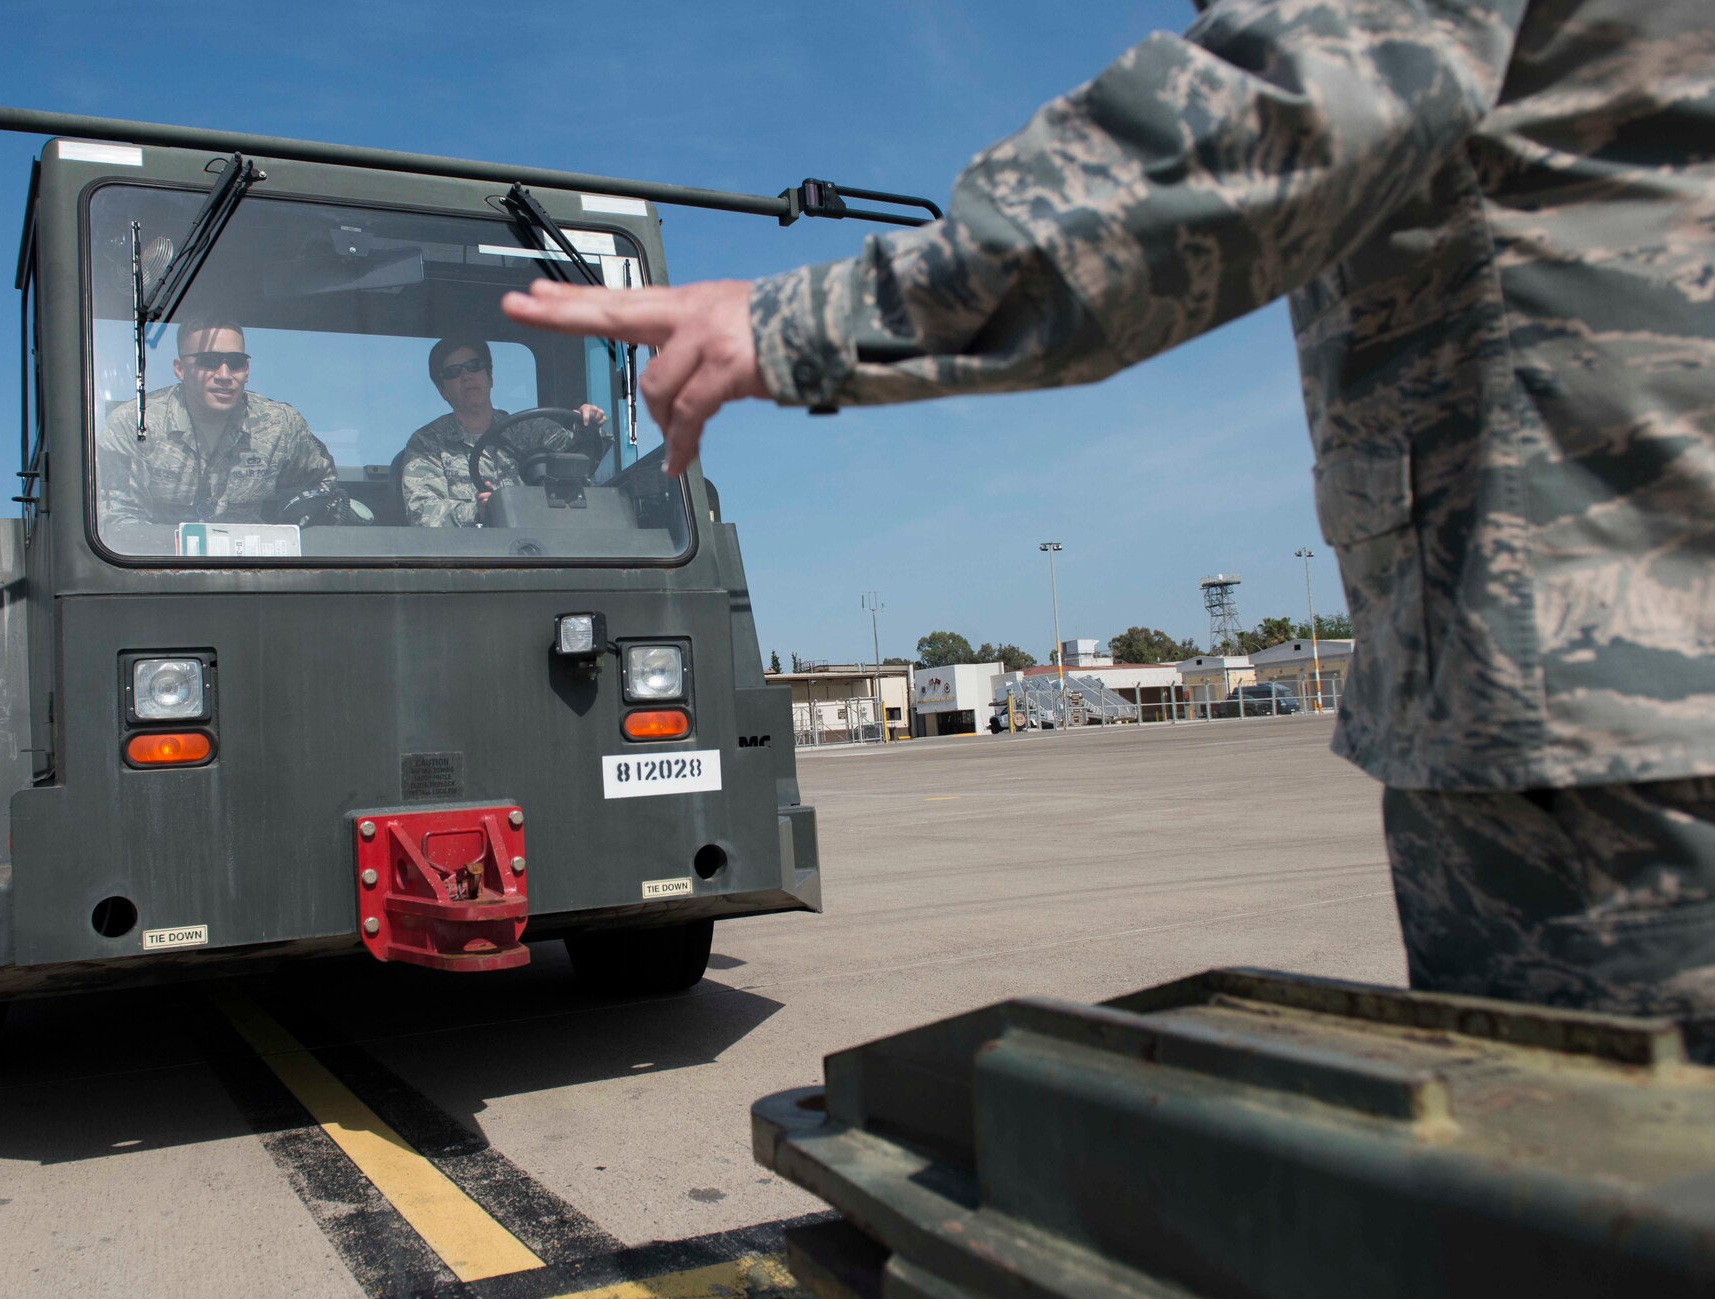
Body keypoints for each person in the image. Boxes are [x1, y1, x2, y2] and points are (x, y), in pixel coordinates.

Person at [504, 2, 1715, 1054]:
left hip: (1607, 675)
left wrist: (799, 319)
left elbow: (1272, 116)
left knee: (1613, 1192)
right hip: (1607, 653)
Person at [99, 316, 338, 553]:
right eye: (209, 361)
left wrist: (289, 526)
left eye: (235, 363)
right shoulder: (134, 425)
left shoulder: (281, 425)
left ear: (246, 370)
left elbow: (321, 486)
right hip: (158, 570)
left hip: (255, 571)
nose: (224, 375)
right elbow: (117, 524)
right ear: (180, 369)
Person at [399, 337, 607, 527]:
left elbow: (580, 461)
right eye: (453, 372)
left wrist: (587, 425)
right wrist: (477, 511)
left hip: (548, 543)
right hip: (470, 556)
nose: (466, 376)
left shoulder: (532, 429)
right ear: (442, 390)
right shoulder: (426, 444)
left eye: (474, 366)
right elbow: (421, 513)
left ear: (490, 378)